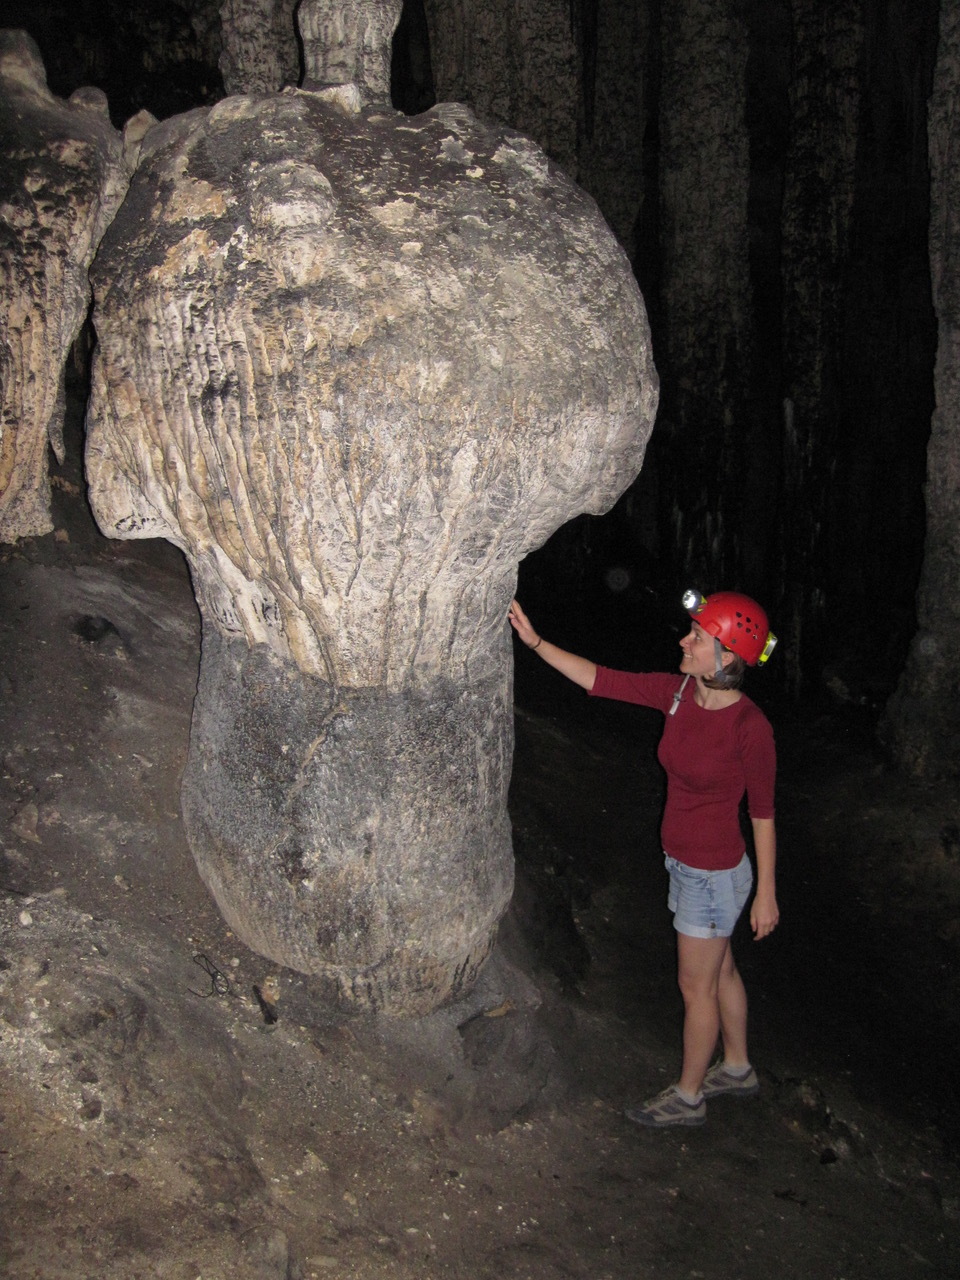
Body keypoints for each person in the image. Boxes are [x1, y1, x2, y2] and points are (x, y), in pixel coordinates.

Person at [508, 590, 779, 1128]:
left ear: (726, 656)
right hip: (687, 865)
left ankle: (689, 1095)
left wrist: (766, 893)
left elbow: (764, 814)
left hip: (713, 874)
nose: (684, 640)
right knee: (720, 968)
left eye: (697, 637)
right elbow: (601, 678)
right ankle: (739, 1066)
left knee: (695, 985)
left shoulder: (751, 728)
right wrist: (536, 642)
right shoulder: (679, 694)